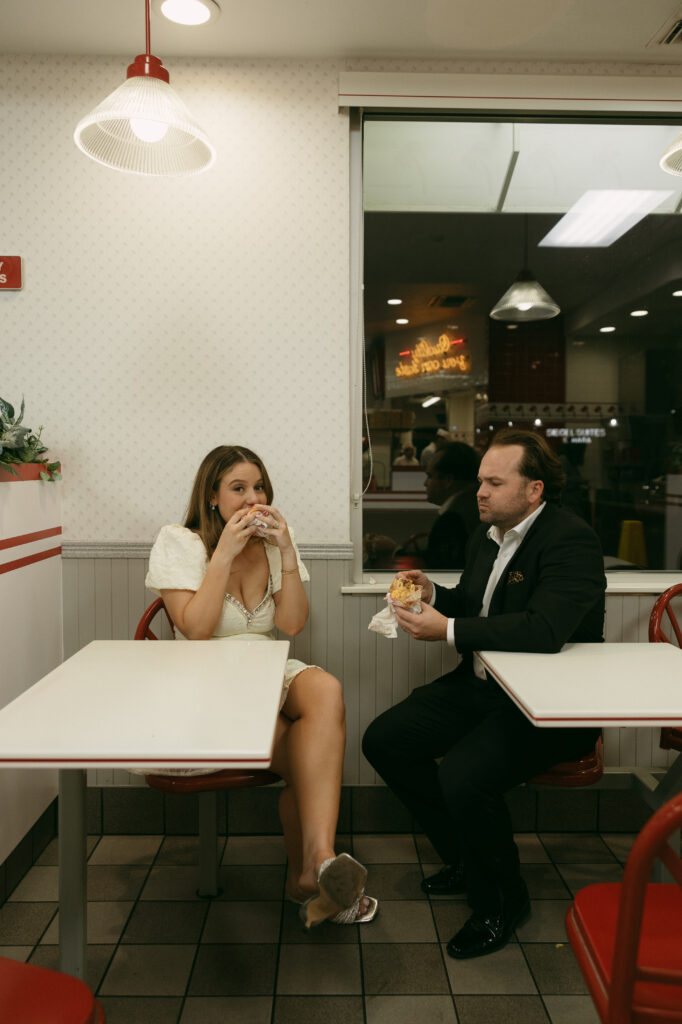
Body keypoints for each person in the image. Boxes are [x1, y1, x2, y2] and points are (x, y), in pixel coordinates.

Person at [362, 429, 605, 958]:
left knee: (463, 775)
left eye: (495, 482)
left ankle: (502, 900)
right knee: (385, 740)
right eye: (480, 481)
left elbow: (542, 629)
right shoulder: (486, 534)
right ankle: (468, 860)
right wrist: (435, 594)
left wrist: (445, 629)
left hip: (547, 706)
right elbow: (479, 606)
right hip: (482, 687)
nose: (481, 492)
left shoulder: (570, 539)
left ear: (534, 490)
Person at [146, 445, 377, 927]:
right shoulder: (180, 542)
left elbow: (291, 625)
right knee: (308, 759)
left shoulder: (272, 547)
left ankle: (316, 864)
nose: (254, 499)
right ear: (212, 495)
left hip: (267, 671)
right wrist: (225, 553)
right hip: (207, 682)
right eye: (238, 489)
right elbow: (196, 629)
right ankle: (311, 873)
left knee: (326, 690)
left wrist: (288, 551)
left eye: (259, 487)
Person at [423, 442, 480, 569]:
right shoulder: (479, 507)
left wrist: (396, 553)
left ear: (448, 480)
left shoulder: (451, 520)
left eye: (429, 476)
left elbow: (439, 568)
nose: (425, 483)